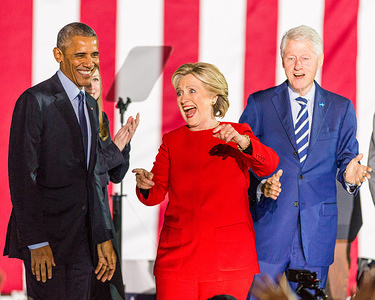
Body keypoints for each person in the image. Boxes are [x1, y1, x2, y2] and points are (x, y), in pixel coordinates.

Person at [239, 25, 372, 298]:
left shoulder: (341, 107)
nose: (298, 66)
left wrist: (349, 177)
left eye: (305, 58)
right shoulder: (260, 104)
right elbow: (242, 161)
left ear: (319, 60)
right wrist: (261, 186)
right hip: (270, 230)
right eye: (291, 58)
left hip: (315, 236)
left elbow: (347, 158)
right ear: (282, 60)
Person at [132, 62, 279, 300]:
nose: (183, 98)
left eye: (191, 91)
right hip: (178, 261)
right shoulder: (172, 140)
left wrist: (243, 142)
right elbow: (156, 194)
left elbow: (269, 164)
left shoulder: (237, 133)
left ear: (213, 97)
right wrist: (144, 185)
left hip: (229, 260)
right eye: (179, 92)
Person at [3, 22, 116, 299]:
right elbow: (22, 176)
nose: (89, 63)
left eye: (94, 54)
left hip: (84, 243)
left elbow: (91, 179)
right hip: (47, 243)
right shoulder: (35, 100)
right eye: (80, 55)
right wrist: (36, 241)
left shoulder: (90, 105)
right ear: (58, 55)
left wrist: (102, 235)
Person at [86, 68, 139, 300]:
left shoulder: (102, 120)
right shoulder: (71, 122)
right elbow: (90, 171)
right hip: (83, 220)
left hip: (102, 216)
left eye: (96, 79)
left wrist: (124, 144)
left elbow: (115, 175)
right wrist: (115, 149)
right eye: (87, 79)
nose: (91, 85)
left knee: (110, 287)